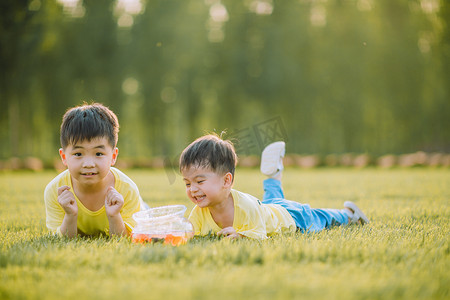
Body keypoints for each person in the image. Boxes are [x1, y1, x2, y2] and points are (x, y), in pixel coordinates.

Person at [180, 134, 369, 240]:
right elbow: (189, 232)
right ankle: (273, 175)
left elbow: (260, 234)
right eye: (187, 183)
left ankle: (348, 214)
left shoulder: (245, 206)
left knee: (322, 218)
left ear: (226, 181)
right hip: (269, 208)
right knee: (272, 201)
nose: (193, 189)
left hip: (293, 217)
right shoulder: (198, 212)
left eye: (199, 181)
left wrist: (240, 235)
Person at [44, 102, 146, 238]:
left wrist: (114, 216)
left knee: (147, 218)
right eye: (78, 154)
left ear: (113, 156)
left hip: (141, 211)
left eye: (98, 154)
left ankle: (144, 205)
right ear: (64, 157)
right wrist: (70, 215)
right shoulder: (55, 192)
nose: (88, 164)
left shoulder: (127, 190)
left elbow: (126, 239)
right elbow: (59, 240)